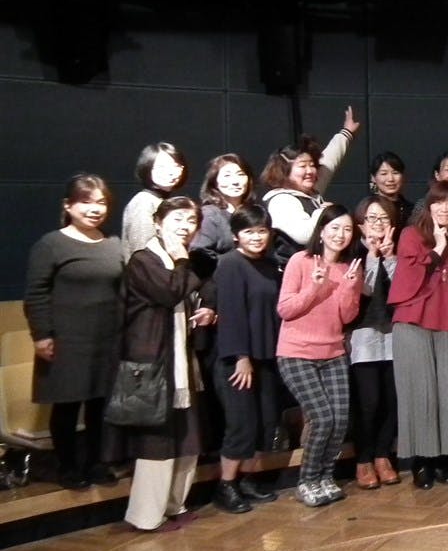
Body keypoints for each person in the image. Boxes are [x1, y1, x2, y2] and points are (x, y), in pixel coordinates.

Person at [115, 196, 215, 530]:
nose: (185, 227)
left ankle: (176, 504)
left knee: (187, 437)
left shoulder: (186, 260)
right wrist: (183, 261)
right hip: (153, 362)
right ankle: (146, 516)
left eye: (191, 221)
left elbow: (200, 289)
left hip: (182, 361)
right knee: (157, 442)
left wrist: (206, 308)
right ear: (158, 223)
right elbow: (169, 291)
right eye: (177, 220)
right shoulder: (143, 260)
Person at [24, 174, 125, 490]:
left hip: (106, 339)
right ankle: (67, 467)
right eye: (86, 202)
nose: (95, 209)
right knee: (66, 406)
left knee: (100, 406)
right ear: (68, 205)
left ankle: (96, 463)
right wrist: (42, 335)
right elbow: (36, 293)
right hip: (65, 340)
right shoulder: (51, 244)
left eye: (101, 202)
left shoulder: (113, 244)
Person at [276, 204, 363, 507]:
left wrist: (349, 288)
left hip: (333, 352)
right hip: (296, 352)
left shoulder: (350, 268)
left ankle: (325, 477)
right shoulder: (300, 261)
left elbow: (347, 316)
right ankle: (307, 480)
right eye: (335, 228)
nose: (340, 234)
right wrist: (314, 287)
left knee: (339, 420)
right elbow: (285, 309)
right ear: (322, 231)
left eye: (347, 229)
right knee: (322, 418)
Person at [390, 181, 448, 488]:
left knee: (447, 394)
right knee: (420, 395)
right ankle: (421, 462)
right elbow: (410, 277)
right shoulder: (411, 235)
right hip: (414, 322)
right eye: (438, 202)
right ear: (428, 206)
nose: (444, 208)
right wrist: (436, 248)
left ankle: (442, 458)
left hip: (447, 322)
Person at [209, 204, 282, 512]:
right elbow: (232, 313)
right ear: (236, 235)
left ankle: (248, 480)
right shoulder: (230, 264)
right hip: (236, 359)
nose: (256, 237)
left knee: (266, 422)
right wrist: (241, 357)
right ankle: (226, 485)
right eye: (249, 231)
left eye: (262, 231)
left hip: (266, 356)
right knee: (241, 424)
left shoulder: (270, 264)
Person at [261, 106, 360, 267]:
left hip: (317, 271)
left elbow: (329, 162)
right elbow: (304, 234)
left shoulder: (309, 192)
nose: (310, 171)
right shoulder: (281, 200)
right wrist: (324, 211)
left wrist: (346, 133)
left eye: (312, 165)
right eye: (302, 166)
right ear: (284, 171)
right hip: (292, 274)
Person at [347, 196, 401, 489]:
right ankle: (363, 459)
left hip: (394, 331)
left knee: (392, 399)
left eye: (383, 218)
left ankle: (383, 455)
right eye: (371, 218)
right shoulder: (352, 251)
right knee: (368, 401)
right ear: (360, 224)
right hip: (363, 332)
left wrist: (390, 257)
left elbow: (402, 290)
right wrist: (371, 255)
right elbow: (362, 291)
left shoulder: (397, 249)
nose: (378, 224)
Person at [192, 153, 258, 272]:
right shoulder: (210, 214)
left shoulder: (253, 212)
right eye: (227, 175)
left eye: (240, 174)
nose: (235, 181)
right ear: (215, 182)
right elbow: (199, 253)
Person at [121, 142, 188, 254]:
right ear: (147, 168)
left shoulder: (162, 201)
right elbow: (143, 251)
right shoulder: (143, 202)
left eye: (176, 166)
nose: (170, 172)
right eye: (162, 167)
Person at [369, 151, 414, 232]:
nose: (390, 179)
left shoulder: (413, 210)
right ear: (373, 178)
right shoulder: (367, 209)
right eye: (384, 174)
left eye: (395, 173)